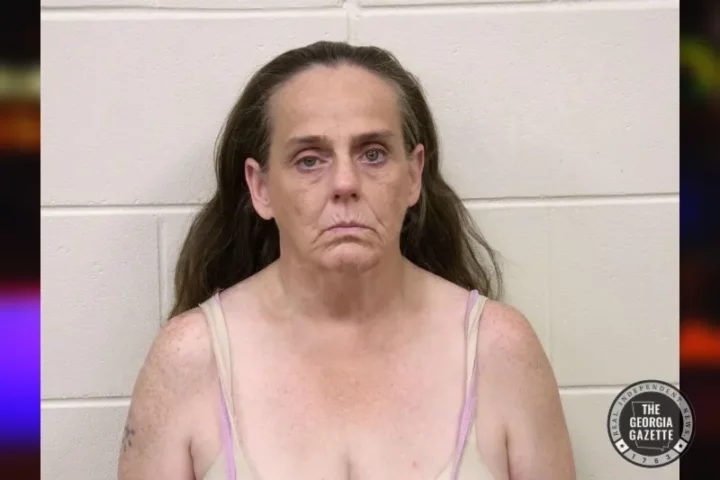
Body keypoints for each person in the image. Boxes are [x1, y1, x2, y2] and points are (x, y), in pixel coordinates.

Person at [117, 40, 575, 480]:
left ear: (413, 175)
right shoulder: (189, 358)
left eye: (373, 154)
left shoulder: (499, 349)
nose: (345, 183)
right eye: (309, 160)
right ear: (261, 187)